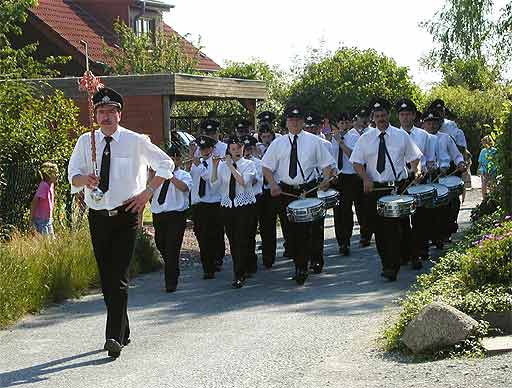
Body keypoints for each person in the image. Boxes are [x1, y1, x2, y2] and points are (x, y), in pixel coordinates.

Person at [68, 87, 174, 359]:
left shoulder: (135, 141)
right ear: (95, 115)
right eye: (101, 112)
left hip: (126, 214)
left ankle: (112, 336)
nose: (106, 117)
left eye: (111, 112)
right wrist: (85, 180)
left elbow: (166, 164)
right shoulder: (85, 141)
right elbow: (72, 176)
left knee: (118, 275)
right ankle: (123, 329)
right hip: (98, 215)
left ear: (119, 113)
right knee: (107, 278)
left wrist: (148, 193)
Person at [350, 98, 422, 281]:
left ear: (388, 115)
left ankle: (400, 260)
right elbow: (356, 162)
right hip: (376, 189)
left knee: (399, 227)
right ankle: (388, 265)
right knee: (380, 230)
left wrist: (416, 170)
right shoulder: (365, 139)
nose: (381, 118)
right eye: (377, 116)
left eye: (383, 115)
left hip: (397, 187)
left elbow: (414, 157)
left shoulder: (401, 135)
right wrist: (365, 178)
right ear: (372, 118)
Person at [262, 104, 335, 285]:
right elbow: (266, 166)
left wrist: (326, 180)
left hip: (308, 189)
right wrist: (272, 184)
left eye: (298, 119)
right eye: (291, 120)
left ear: (303, 122)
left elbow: (327, 164)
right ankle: (300, 266)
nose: (294, 123)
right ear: (286, 122)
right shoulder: (277, 143)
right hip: (287, 191)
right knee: (292, 231)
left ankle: (316, 258)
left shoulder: (314, 141)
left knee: (314, 227)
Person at [211, 135, 257, 288]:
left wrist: (231, 166)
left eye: (239, 148)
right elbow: (215, 185)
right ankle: (240, 270)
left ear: (243, 148)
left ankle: (240, 273)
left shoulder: (249, 164)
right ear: (228, 151)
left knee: (242, 239)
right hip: (227, 206)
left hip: (245, 205)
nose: (237, 151)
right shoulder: (223, 166)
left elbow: (243, 182)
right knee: (233, 240)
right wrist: (215, 166)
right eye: (233, 149)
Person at [396, 98, 435, 269]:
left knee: (421, 218)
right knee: (403, 219)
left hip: (420, 178)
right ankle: (407, 253)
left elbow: (430, 160)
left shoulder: (424, 136)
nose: (404, 118)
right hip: (402, 180)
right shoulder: (393, 135)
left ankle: (420, 249)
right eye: (401, 114)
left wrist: (426, 170)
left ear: (413, 116)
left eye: (407, 114)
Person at [151, 145, 192, 293]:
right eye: (171, 158)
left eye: (176, 158)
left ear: (180, 160)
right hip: (159, 214)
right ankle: (173, 267)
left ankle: (171, 282)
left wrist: (171, 176)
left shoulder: (184, 175)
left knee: (172, 247)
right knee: (161, 243)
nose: (174, 161)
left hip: (176, 215)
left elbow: (184, 188)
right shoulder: (157, 176)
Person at [421, 109, 465, 246]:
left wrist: (460, 163)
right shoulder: (419, 138)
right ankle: (430, 236)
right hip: (426, 177)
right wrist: (424, 168)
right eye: (428, 123)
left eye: (434, 122)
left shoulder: (446, 138)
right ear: (423, 124)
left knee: (445, 208)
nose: (432, 126)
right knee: (427, 209)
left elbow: (456, 155)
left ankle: (442, 235)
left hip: (444, 175)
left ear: (439, 123)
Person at [332, 107, 371, 255]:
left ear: (350, 123)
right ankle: (344, 242)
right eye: (340, 123)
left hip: (356, 175)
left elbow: (354, 156)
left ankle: (365, 234)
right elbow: (332, 158)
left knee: (361, 207)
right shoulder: (333, 138)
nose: (343, 125)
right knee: (343, 211)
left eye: (346, 122)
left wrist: (342, 143)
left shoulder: (353, 136)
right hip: (342, 177)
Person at [189, 128, 226, 279]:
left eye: (207, 148)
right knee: (201, 236)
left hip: (214, 203)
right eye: (201, 148)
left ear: (212, 148)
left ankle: (217, 259)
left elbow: (214, 183)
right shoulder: (195, 163)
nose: (204, 151)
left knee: (216, 234)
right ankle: (207, 267)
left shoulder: (217, 163)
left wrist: (199, 167)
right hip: (199, 204)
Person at [240, 134, 264, 273]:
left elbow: (254, 181)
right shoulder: (237, 163)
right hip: (240, 200)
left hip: (254, 199)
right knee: (241, 233)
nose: (247, 152)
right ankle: (244, 261)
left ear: (254, 149)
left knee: (250, 232)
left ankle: (250, 262)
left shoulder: (257, 163)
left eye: (249, 149)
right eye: (245, 149)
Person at [31, 161, 58, 236]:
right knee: (45, 241)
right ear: (48, 175)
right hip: (41, 219)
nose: (57, 175)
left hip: (48, 219)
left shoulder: (51, 185)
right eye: (55, 173)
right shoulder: (44, 186)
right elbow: (35, 201)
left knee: (51, 241)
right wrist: (32, 218)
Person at [478, 135, 497, 199]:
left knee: (489, 184)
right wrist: (478, 169)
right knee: (487, 184)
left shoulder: (493, 151)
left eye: (483, 142)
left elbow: (480, 162)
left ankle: (489, 198)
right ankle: (487, 198)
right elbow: (480, 162)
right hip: (486, 169)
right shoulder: (484, 151)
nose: (483, 144)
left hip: (490, 169)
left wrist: (478, 169)